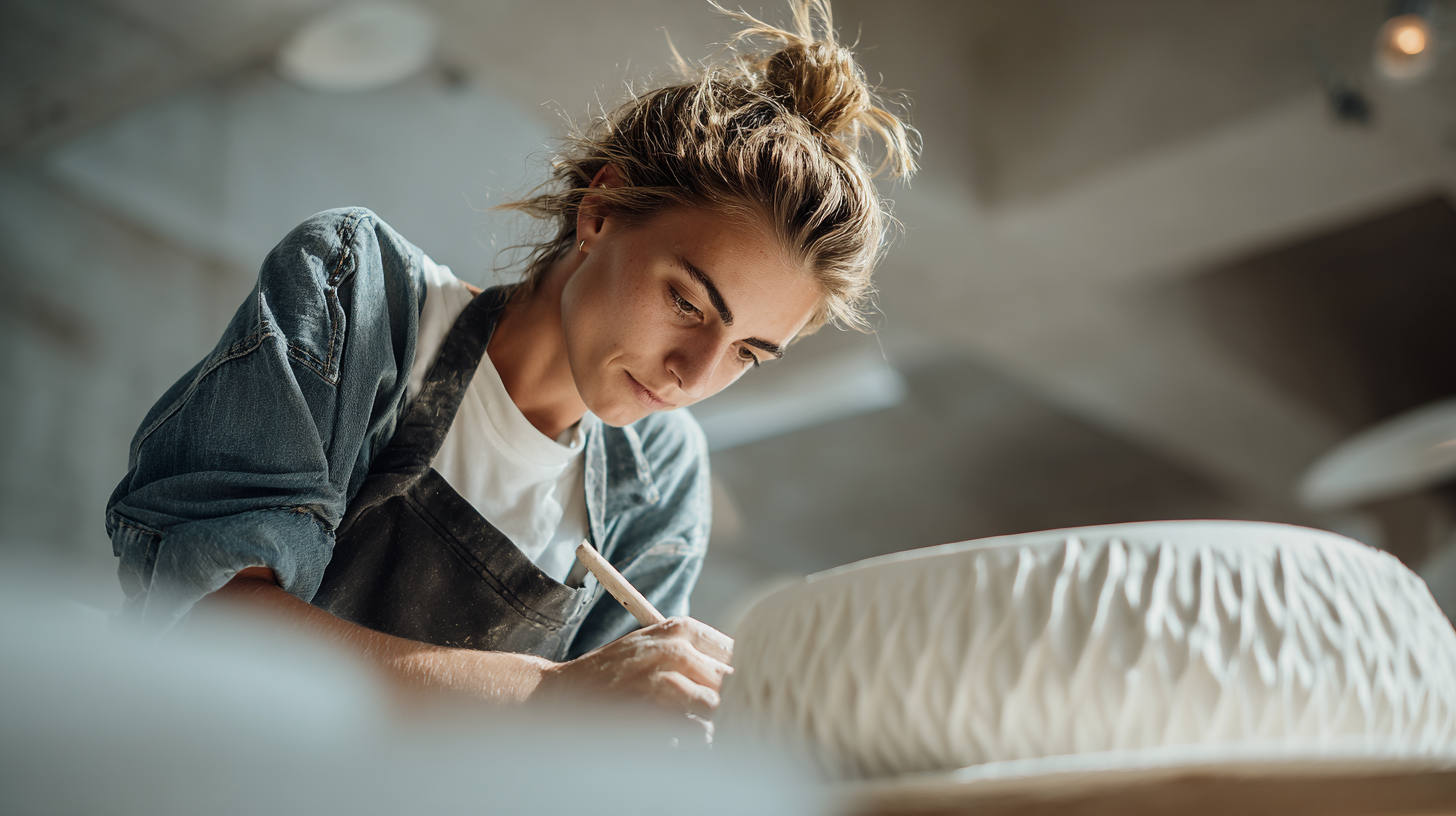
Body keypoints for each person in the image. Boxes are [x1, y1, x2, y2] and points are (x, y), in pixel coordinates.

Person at [104, 0, 916, 721]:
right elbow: (207, 619)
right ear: (600, 211)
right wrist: (551, 695)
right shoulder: (365, 291)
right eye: (687, 304)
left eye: (747, 353)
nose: (691, 376)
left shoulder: (658, 483)